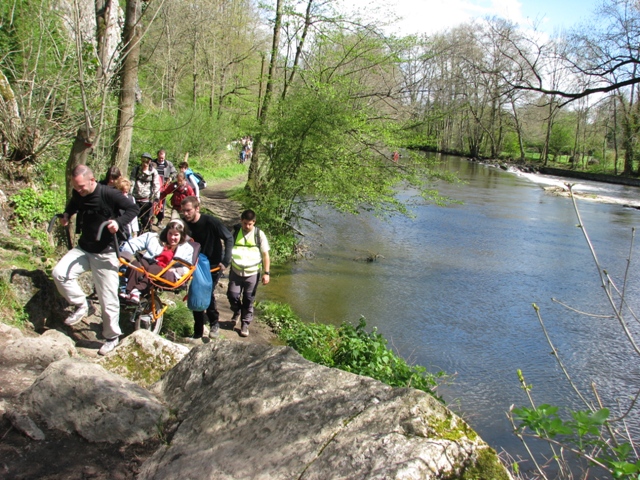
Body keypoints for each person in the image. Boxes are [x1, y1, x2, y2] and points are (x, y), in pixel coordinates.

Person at [52, 165, 139, 356]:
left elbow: (133, 208)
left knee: (108, 298)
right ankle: (82, 305)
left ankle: (111, 337)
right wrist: (67, 215)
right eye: (76, 187)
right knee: (59, 273)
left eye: (81, 186)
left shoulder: (108, 193)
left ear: (92, 180)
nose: (79, 190)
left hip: (105, 252)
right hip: (84, 248)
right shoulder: (79, 194)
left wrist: (119, 222)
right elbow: (73, 205)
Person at [180, 196, 233, 341]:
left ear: (197, 208)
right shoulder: (184, 223)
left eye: (188, 210)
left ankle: (214, 322)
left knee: (205, 291)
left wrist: (225, 261)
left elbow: (228, 238)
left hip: (213, 265)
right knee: (195, 292)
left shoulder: (211, 222)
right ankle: (198, 332)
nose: (185, 214)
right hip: (195, 264)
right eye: (183, 211)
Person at [120, 219, 194, 303]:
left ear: (181, 235)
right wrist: (125, 255)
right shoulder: (155, 239)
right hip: (151, 265)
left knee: (153, 268)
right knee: (136, 264)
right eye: (170, 234)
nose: (172, 237)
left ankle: (137, 290)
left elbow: (188, 267)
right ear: (166, 232)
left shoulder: (187, 249)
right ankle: (128, 293)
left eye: (176, 235)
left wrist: (176, 270)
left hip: (168, 273)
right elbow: (133, 244)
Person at [227, 209, 270, 337]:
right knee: (232, 295)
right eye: (245, 223)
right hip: (236, 271)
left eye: (250, 224)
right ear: (241, 221)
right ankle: (237, 311)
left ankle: (245, 324)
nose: (247, 226)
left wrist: (266, 273)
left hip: (252, 273)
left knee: (248, 299)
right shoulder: (235, 232)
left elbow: (265, 255)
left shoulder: (259, 235)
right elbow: (227, 248)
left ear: (254, 222)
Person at [131, 153, 161, 233]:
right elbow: (132, 182)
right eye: (143, 160)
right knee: (134, 218)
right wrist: (129, 195)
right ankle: (136, 233)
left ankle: (144, 232)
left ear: (150, 161)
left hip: (147, 200)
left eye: (147, 161)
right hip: (136, 198)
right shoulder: (136, 169)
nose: (145, 163)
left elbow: (156, 184)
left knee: (145, 219)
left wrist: (157, 197)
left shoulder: (153, 172)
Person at [153, 149, 177, 226]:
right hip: (154, 186)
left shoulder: (168, 164)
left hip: (164, 186)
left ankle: (159, 220)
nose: (161, 159)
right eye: (160, 158)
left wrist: (170, 178)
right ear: (157, 156)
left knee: (161, 203)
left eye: (163, 158)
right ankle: (151, 219)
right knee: (153, 203)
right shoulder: (153, 163)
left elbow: (175, 173)